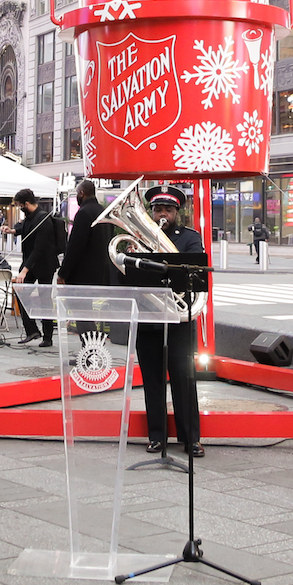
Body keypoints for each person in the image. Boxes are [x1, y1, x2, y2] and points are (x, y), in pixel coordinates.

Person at [133, 184, 205, 456]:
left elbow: (195, 272)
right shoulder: (138, 237)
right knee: (151, 380)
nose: (162, 213)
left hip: (179, 321)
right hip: (148, 319)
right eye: (157, 209)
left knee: (184, 379)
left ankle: (191, 438)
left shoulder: (188, 238)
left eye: (167, 209)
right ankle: (157, 436)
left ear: (177, 212)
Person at [13, 186, 63, 347]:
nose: (20, 209)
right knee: (20, 292)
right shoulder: (30, 217)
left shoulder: (43, 219)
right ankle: (32, 330)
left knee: (45, 300)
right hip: (31, 263)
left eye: (20, 205)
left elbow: (39, 248)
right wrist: (13, 231)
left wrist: (24, 270)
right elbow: (25, 229)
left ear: (27, 203)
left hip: (44, 265)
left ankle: (48, 337)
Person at [58, 179, 115, 287]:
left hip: (83, 275)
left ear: (81, 193)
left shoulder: (84, 212)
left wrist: (63, 273)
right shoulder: (103, 211)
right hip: (103, 273)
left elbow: (75, 245)